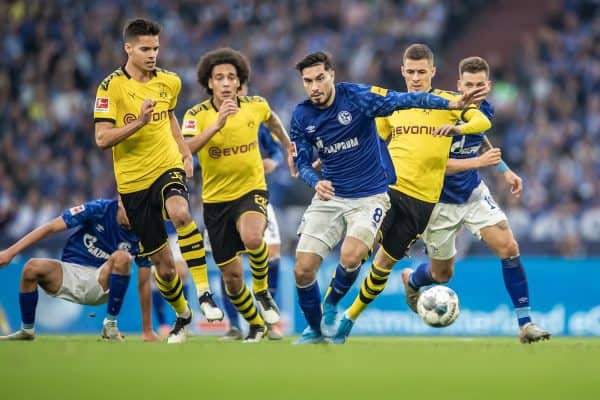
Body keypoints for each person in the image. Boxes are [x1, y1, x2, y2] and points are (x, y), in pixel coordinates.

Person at [290, 50, 486, 344]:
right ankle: (324, 316)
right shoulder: (309, 114)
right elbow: (376, 134)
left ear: (433, 71)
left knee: (382, 266)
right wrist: (321, 166)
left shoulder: (446, 103)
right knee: (354, 254)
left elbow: (482, 123)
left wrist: (458, 118)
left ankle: (346, 320)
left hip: (423, 202)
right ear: (403, 71)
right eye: (411, 72)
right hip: (389, 191)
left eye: (422, 72)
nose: (416, 78)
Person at [402, 56, 551, 344]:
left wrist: (504, 170)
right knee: (442, 274)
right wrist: (479, 162)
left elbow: (479, 139)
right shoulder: (441, 112)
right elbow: (435, 165)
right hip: (439, 203)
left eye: (479, 85)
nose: (474, 90)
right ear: (459, 85)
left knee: (509, 247)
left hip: (472, 195)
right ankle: (413, 279)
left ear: (488, 86)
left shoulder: (486, 110)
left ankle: (526, 324)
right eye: (468, 85)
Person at [93, 18, 222, 344]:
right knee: (163, 267)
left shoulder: (170, 81)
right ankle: (183, 314)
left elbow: (169, 117)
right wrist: (138, 122)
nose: (153, 54)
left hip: (166, 166)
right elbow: (102, 139)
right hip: (133, 182)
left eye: (156, 48)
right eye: (145, 49)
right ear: (129, 48)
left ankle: (205, 293)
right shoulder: (110, 88)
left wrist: (184, 152)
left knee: (180, 212)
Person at [182, 47, 292, 342]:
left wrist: (288, 146)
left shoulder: (255, 105)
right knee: (231, 280)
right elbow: (186, 149)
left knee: (254, 238)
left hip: (251, 190)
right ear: (209, 83)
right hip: (216, 201)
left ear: (240, 80)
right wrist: (217, 125)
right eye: (220, 77)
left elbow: (273, 122)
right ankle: (254, 323)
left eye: (232, 77)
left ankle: (262, 291)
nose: (227, 82)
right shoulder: (195, 115)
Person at [0, 198, 155, 341]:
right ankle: (27, 330)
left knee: (122, 257)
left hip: (102, 281)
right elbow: (51, 227)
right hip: (71, 273)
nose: (136, 214)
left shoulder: (144, 232)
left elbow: (144, 283)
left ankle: (110, 325)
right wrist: (10, 252)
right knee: (31, 267)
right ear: (121, 200)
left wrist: (147, 330)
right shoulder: (99, 209)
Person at [220, 118, 285, 341]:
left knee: (273, 254)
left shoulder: (255, 121)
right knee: (228, 262)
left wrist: (273, 162)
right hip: (223, 199)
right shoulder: (211, 120)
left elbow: (277, 151)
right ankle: (234, 326)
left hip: (257, 198)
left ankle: (271, 322)